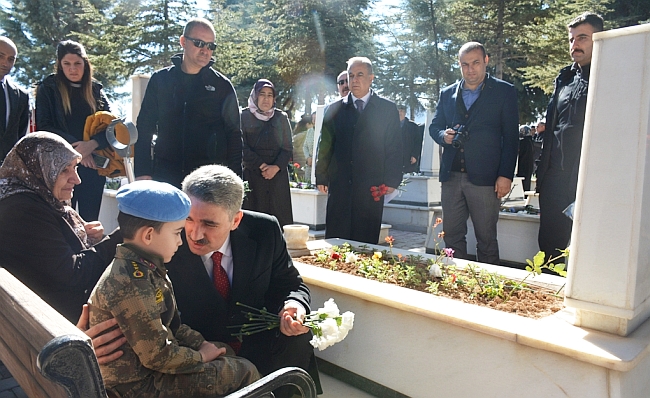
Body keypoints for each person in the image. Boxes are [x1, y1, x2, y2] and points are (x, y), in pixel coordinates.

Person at [88, 180, 259, 397]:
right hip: (138, 386)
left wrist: (202, 344)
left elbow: (172, 326)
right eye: (177, 232)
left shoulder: (144, 268)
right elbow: (157, 355)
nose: (182, 241)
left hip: (148, 372)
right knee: (243, 372)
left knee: (227, 352)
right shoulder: (132, 282)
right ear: (149, 235)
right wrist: (201, 357)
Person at [166, 165, 318, 396]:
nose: (195, 234)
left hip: (258, 347)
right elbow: (113, 262)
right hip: (199, 354)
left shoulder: (265, 230)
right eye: (188, 219)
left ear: (236, 220)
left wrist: (294, 306)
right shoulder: (162, 234)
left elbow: (290, 284)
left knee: (298, 336)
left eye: (209, 224)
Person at [0, 132, 121, 322]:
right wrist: (120, 239)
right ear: (39, 168)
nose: (77, 179)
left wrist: (87, 237)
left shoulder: (40, 198)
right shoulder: (24, 211)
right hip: (52, 325)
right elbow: (74, 274)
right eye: (65, 170)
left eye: (75, 168)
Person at [429, 42, 519, 265]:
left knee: (486, 238)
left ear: (486, 61)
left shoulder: (504, 92)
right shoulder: (447, 93)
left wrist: (505, 175)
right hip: (451, 177)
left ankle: (488, 286)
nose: (470, 69)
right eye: (465, 64)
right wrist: (444, 136)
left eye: (475, 63)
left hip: (486, 178)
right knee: (452, 236)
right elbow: (434, 126)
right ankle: (457, 283)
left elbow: (511, 138)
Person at [135, 17, 243, 187]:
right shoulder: (161, 80)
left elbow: (234, 136)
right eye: (199, 43)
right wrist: (142, 172)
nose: (205, 50)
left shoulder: (222, 86)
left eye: (210, 46)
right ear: (183, 41)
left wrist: (235, 183)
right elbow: (144, 128)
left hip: (207, 182)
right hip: (165, 176)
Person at [536, 12, 604, 260]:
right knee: (550, 245)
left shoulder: (612, 77)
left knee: (589, 247)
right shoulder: (564, 79)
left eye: (583, 38)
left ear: (600, 38)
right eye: (572, 39)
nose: (575, 45)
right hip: (554, 177)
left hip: (589, 177)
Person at [316, 56, 403, 244]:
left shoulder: (386, 109)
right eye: (351, 75)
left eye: (360, 75)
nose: (354, 80)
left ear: (371, 77)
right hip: (340, 186)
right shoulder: (335, 109)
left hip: (371, 186)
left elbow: (395, 147)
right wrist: (321, 176)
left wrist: (392, 180)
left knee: (365, 241)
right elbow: (325, 146)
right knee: (336, 242)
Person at [36, 40, 111, 222]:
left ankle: (88, 252)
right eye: (67, 64)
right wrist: (77, 151)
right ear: (60, 65)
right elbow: (44, 126)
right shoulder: (48, 88)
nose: (73, 69)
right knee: (61, 220)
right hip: (60, 166)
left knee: (90, 222)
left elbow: (114, 127)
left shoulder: (95, 90)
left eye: (77, 63)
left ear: (85, 64)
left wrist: (91, 144)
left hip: (92, 166)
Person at [241, 79, 293, 227]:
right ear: (255, 96)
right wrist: (262, 166)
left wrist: (275, 168)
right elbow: (241, 146)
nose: (266, 98)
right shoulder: (243, 117)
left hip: (277, 177)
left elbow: (288, 148)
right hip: (253, 175)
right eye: (262, 94)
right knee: (254, 221)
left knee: (279, 220)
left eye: (270, 95)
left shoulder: (281, 118)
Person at [0, 37, 29, 163]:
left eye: (11, 59)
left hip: (5, 170)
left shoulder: (21, 96)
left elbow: (19, 136)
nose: (5, 63)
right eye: (1, 56)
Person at [398, 105, 424, 174]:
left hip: (408, 158)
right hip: (394, 157)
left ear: (405, 113)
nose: (400, 113)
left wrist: (415, 155)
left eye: (402, 111)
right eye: (398, 111)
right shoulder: (391, 125)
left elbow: (418, 142)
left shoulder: (413, 126)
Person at [516, 125, 535, 192]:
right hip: (529, 166)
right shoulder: (531, 142)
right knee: (527, 184)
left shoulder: (522, 142)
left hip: (522, 166)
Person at [302, 112, 316, 180]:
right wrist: (308, 158)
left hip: (319, 166)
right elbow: (305, 146)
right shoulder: (309, 131)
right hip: (309, 165)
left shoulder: (324, 131)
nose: (314, 120)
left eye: (316, 118)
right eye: (313, 118)